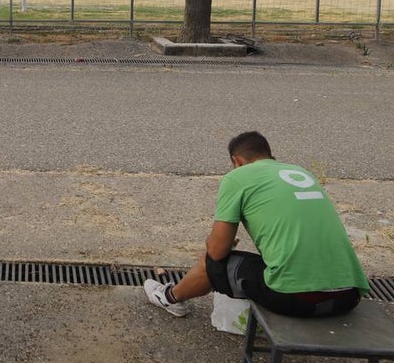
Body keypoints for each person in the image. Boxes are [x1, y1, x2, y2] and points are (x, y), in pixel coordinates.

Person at [145, 131, 368, 319]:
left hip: (295, 298)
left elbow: (217, 251)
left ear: (237, 161)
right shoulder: (302, 173)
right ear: (269, 156)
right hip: (348, 298)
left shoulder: (238, 177)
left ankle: (169, 298)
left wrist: (216, 243)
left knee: (211, 260)